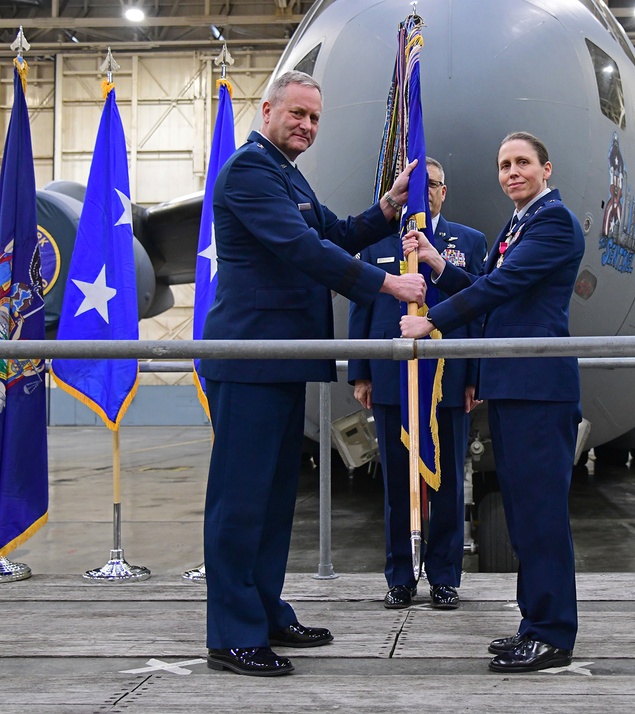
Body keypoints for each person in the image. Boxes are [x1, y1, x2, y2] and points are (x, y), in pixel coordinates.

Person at [198, 70, 426, 677]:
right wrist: (388, 282)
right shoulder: (250, 171)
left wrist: (390, 205)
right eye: (297, 113)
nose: (306, 126)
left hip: (280, 359)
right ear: (267, 109)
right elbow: (304, 250)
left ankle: (267, 610)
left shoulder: (286, 174)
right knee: (239, 502)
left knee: (274, 502)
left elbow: (338, 233)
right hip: (248, 359)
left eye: (315, 118)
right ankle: (232, 634)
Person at [400, 132, 585, 673]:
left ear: (546, 169)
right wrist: (436, 262)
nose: (511, 172)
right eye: (504, 164)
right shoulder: (519, 223)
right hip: (513, 385)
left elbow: (501, 287)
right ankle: (535, 624)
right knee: (526, 515)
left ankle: (552, 633)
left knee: (542, 515)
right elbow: (488, 283)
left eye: (522, 162)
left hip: (537, 388)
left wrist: (433, 319)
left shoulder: (552, 221)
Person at [348, 157, 487, 610]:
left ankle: (445, 577)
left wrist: (475, 376)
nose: (425, 191)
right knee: (395, 485)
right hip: (391, 380)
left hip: (448, 380)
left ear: (444, 191)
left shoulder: (468, 242)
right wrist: (361, 371)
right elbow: (361, 309)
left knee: (447, 485)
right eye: (416, 183)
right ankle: (400, 577)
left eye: (433, 184)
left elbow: (480, 310)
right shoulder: (377, 245)